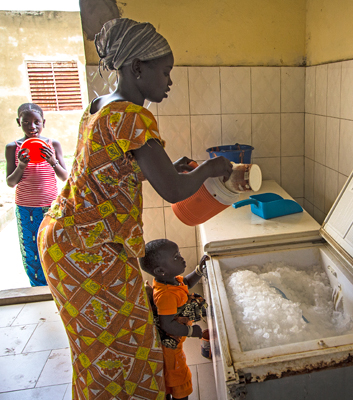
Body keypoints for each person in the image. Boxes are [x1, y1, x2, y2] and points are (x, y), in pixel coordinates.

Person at [37, 18, 232, 400]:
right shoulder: (132, 115)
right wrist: (211, 168)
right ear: (137, 68)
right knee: (126, 346)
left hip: (66, 240)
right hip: (89, 249)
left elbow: (108, 172)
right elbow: (174, 191)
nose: (170, 82)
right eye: (165, 72)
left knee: (97, 348)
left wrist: (162, 167)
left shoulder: (100, 106)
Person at [5, 103, 68, 286]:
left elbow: (64, 176)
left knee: (53, 245)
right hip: (26, 208)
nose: (32, 127)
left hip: (51, 207)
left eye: (36, 122)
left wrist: (52, 161)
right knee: (31, 249)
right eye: (26, 122)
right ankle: (38, 286)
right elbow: (10, 182)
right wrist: (21, 165)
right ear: (19, 122)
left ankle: (56, 285)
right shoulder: (13, 148)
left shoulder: (52, 144)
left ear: (43, 123)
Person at [139, 239, 208, 400]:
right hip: (170, 350)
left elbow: (187, 283)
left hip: (174, 346)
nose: (182, 259)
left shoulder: (171, 281)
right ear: (161, 270)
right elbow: (167, 324)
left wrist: (198, 270)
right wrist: (191, 331)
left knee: (170, 378)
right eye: (176, 257)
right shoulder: (166, 295)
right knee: (178, 378)